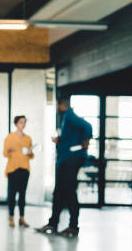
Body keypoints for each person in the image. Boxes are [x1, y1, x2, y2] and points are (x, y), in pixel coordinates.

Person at [37, 97, 92, 237]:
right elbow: (70, 137)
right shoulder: (66, 118)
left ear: (62, 105)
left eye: (57, 104)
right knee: (59, 192)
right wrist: (59, 140)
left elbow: (88, 126)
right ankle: (53, 224)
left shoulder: (70, 116)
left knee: (69, 192)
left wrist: (86, 141)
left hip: (71, 160)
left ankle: (73, 226)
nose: (56, 107)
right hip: (64, 160)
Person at [3, 115, 34, 228]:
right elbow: (5, 153)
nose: (23, 124)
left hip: (24, 169)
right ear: (16, 123)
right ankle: (11, 217)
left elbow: (31, 155)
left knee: (22, 195)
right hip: (13, 169)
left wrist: (30, 153)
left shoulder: (28, 138)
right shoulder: (10, 137)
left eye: (24, 122)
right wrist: (9, 150)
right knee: (12, 194)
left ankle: (22, 218)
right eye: (21, 122)